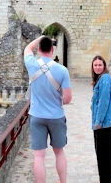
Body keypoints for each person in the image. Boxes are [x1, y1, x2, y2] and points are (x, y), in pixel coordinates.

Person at [24, 35, 72, 183]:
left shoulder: (32, 64)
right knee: (59, 153)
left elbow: (27, 49)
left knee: (38, 156)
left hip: (37, 116)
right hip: (56, 116)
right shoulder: (62, 70)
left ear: (39, 49)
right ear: (52, 50)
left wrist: (41, 37)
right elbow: (68, 98)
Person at [91, 55, 111, 183]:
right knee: (104, 154)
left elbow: (104, 102)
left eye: (100, 65)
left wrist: (98, 122)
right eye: (95, 65)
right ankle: (109, 179)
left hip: (104, 124)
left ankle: (107, 180)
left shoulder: (105, 79)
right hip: (104, 123)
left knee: (103, 156)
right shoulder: (101, 79)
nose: (97, 67)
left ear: (104, 66)